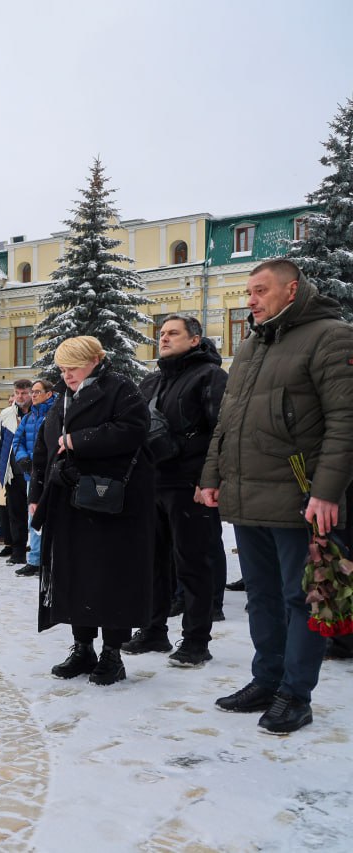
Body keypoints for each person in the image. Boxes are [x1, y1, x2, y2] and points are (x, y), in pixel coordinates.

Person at [199, 260, 353, 733]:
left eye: (260, 290)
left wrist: (327, 492)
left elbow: (345, 421)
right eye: (248, 292)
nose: (251, 300)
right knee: (262, 596)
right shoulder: (250, 346)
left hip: (300, 496)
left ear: (292, 290)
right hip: (248, 496)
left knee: (299, 597)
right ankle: (266, 679)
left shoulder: (332, 335)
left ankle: (295, 693)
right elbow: (227, 423)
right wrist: (211, 475)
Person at [29, 336, 154, 687]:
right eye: (63, 369)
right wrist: (37, 492)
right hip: (69, 501)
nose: (67, 375)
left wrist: (77, 440)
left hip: (112, 502)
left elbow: (133, 430)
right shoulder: (63, 400)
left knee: (112, 577)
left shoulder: (120, 388)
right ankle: (82, 647)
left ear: (96, 359)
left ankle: (112, 654)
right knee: (75, 575)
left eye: (74, 367)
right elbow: (44, 447)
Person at [124, 315, 229, 667]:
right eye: (161, 333)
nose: (163, 338)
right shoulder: (151, 381)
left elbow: (221, 432)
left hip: (189, 484)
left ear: (195, 340)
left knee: (192, 563)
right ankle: (154, 630)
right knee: (153, 562)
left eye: (173, 333)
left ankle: (197, 639)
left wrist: (209, 478)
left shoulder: (211, 376)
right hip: (152, 483)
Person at [12, 378, 58, 577]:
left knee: (53, 517)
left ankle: (51, 560)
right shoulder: (29, 417)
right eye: (33, 392)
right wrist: (22, 459)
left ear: (49, 394)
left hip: (53, 473)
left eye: (37, 392)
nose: (33, 395)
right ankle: (36, 560)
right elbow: (17, 440)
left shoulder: (56, 414)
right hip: (33, 474)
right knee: (34, 516)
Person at [0, 380, 33, 565]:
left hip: (33, 470)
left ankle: (37, 551)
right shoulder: (7, 414)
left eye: (24, 393)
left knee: (35, 512)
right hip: (13, 471)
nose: (20, 396)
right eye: (17, 393)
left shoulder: (38, 412)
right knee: (15, 513)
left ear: (31, 393)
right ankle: (18, 550)